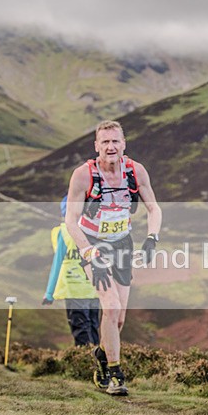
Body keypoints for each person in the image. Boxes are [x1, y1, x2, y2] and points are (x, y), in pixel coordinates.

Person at [65, 120, 162, 397]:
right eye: (105, 142)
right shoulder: (83, 175)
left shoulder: (135, 171)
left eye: (115, 141)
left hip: (122, 243)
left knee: (118, 319)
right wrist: (88, 252)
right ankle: (115, 374)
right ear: (96, 146)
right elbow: (71, 220)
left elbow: (154, 209)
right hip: (93, 245)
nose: (110, 146)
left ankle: (101, 354)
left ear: (124, 144)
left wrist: (152, 238)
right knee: (110, 305)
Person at [42, 195, 100, 348]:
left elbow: (57, 263)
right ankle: (100, 366)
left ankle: (85, 365)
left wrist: (49, 293)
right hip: (94, 290)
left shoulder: (64, 232)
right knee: (94, 329)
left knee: (81, 331)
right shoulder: (95, 231)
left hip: (74, 289)